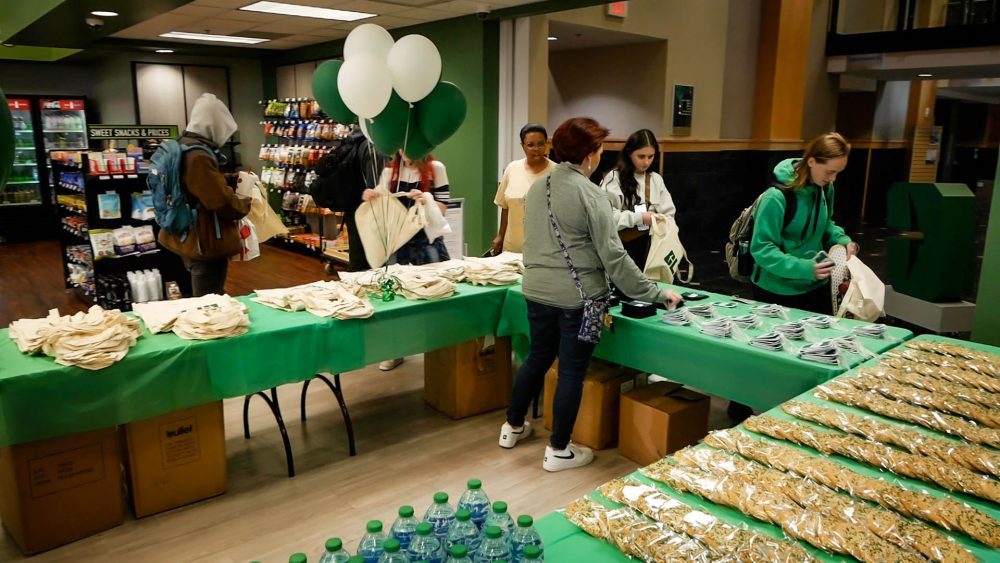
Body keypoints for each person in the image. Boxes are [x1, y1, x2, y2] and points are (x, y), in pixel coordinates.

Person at [499, 117, 683, 472]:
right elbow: (613, 256)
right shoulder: (591, 193)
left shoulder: (539, 186)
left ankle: (513, 426)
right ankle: (558, 450)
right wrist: (656, 293)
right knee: (570, 370)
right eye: (599, 148)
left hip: (535, 290)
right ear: (590, 154)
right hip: (578, 299)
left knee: (537, 357)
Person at [729, 132, 856, 423]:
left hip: (814, 283)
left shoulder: (824, 189)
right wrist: (804, 268)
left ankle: (798, 411)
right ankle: (744, 407)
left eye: (838, 173)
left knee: (814, 351)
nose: (833, 179)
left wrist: (842, 240)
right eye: (830, 172)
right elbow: (763, 249)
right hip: (776, 287)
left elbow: (827, 225)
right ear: (811, 161)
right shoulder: (777, 197)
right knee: (769, 354)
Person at [362, 150, 451, 371]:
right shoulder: (390, 170)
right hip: (397, 242)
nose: (407, 150)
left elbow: (442, 208)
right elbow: (382, 208)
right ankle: (396, 350)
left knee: (434, 293)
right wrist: (371, 197)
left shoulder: (436, 168)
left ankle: (440, 349)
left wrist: (426, 200)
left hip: (426, 241)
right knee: (394, 296)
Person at [158, 93, 250, 297]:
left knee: (190, 299)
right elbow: (219, 200)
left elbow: (195, 184)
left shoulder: (181, 146)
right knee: (208, 305)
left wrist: (228, 178)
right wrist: (245, 204)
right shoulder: (199, 156)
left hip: (180, 234)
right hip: (203, 241)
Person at [600, 128, 676, 269]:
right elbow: (606, 217)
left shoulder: (656, 179)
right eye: (641, 156)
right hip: (622, 248)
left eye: (651, 156)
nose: (646, 162)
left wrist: (661, 222)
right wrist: (640, 218)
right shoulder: (614, 178)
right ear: (629, 154)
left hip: (651, 246)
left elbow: (669, 213)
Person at [492, 123, 556, 254]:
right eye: (530, 145)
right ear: (522, 146)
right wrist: (500, 236)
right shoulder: (512, 169)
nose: (536, 149)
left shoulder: (557, 172)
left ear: (547, 144)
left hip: (545, 250)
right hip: (512, 249)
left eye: (541, 144)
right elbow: (505, 207)